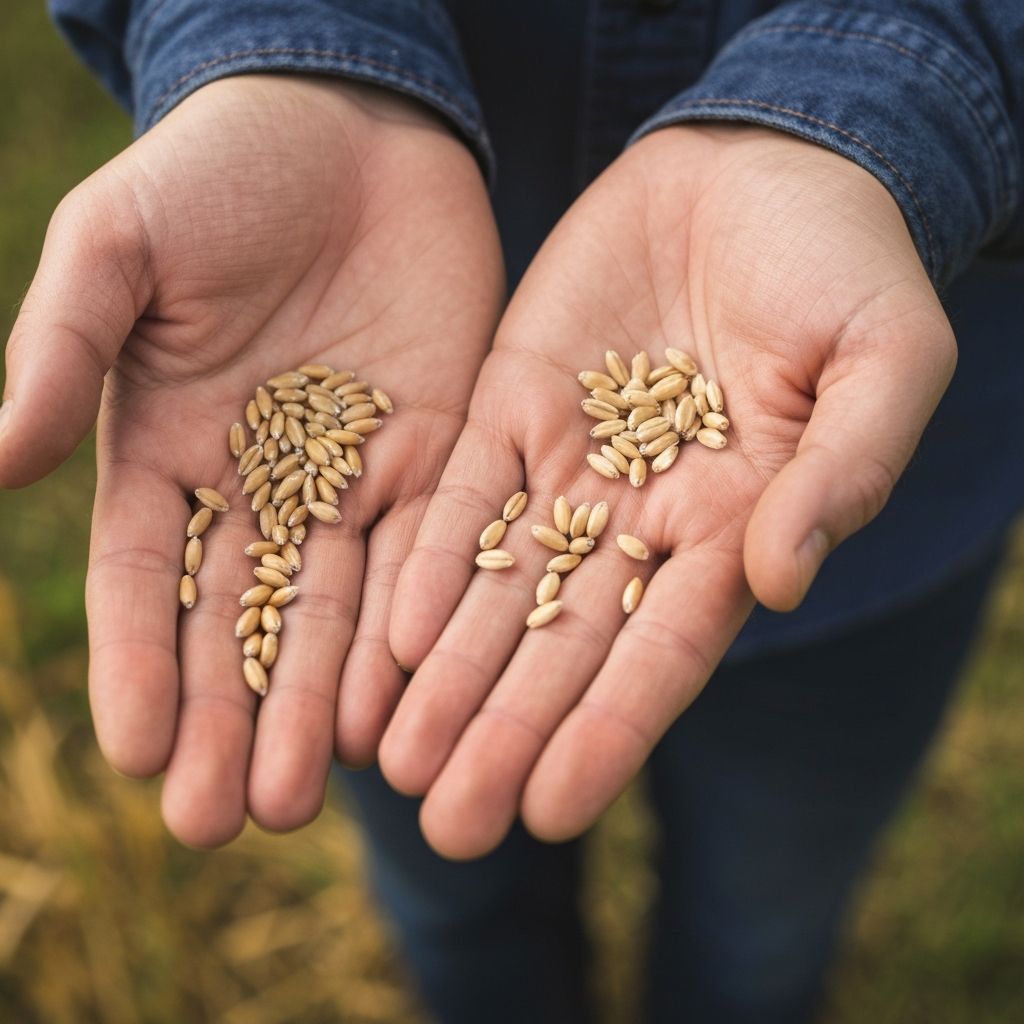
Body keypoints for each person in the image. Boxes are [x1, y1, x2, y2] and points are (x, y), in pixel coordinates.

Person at [1, 1, 1021, 1020]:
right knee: (456, 902)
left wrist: (899, 99)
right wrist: (275, 46)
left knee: (763, 929)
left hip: (872, 493)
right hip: (412, 537)